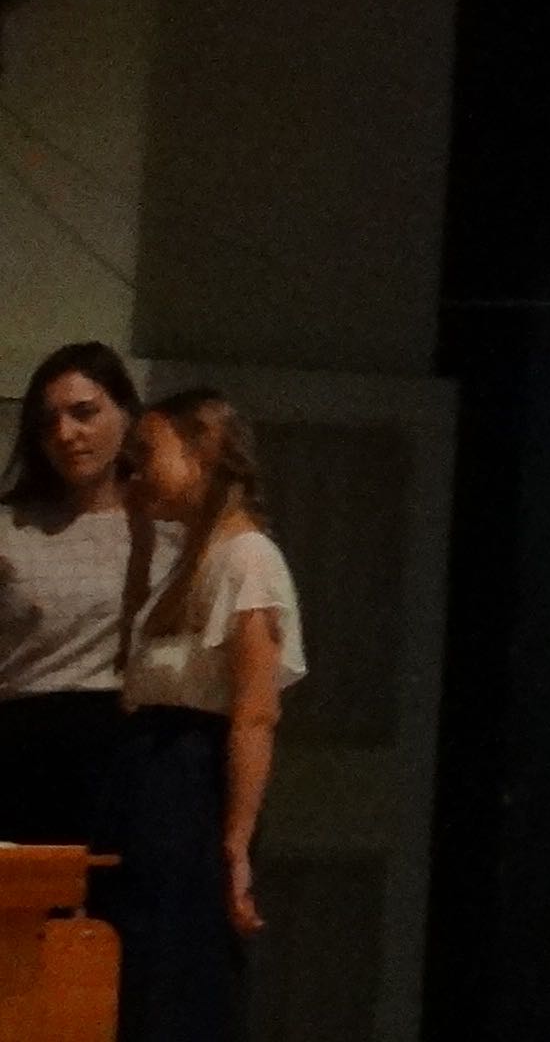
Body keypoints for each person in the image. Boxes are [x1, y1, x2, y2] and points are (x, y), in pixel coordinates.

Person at [113, 390, 295, 1040]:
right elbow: (136, 666)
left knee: (180, 972)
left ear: (204, 453)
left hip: (191, 785)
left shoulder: (249, 559)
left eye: (148, 454)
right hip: (154, 776)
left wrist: (236, 845)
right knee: (141, 972)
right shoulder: (194, 556)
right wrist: (140, 542)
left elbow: (255, 714)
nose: (135, 472)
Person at [0, 344, 146, 855]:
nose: (66, 434)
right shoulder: (10, 528)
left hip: (132, 750)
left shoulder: (169, 528)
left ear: (125, 413)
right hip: (24, 748)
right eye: (48, 423)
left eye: (84, 413)